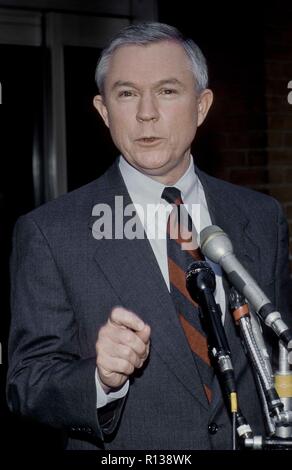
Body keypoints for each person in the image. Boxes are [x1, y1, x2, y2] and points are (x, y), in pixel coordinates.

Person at [7, 22, 292, 450]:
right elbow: (27, 384)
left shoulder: (260, 216)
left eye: (167, 91)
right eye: (126, 94)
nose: (146, 113)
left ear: (202, 105)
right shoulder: (51, 233)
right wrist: (100, 380)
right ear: (104, 112)